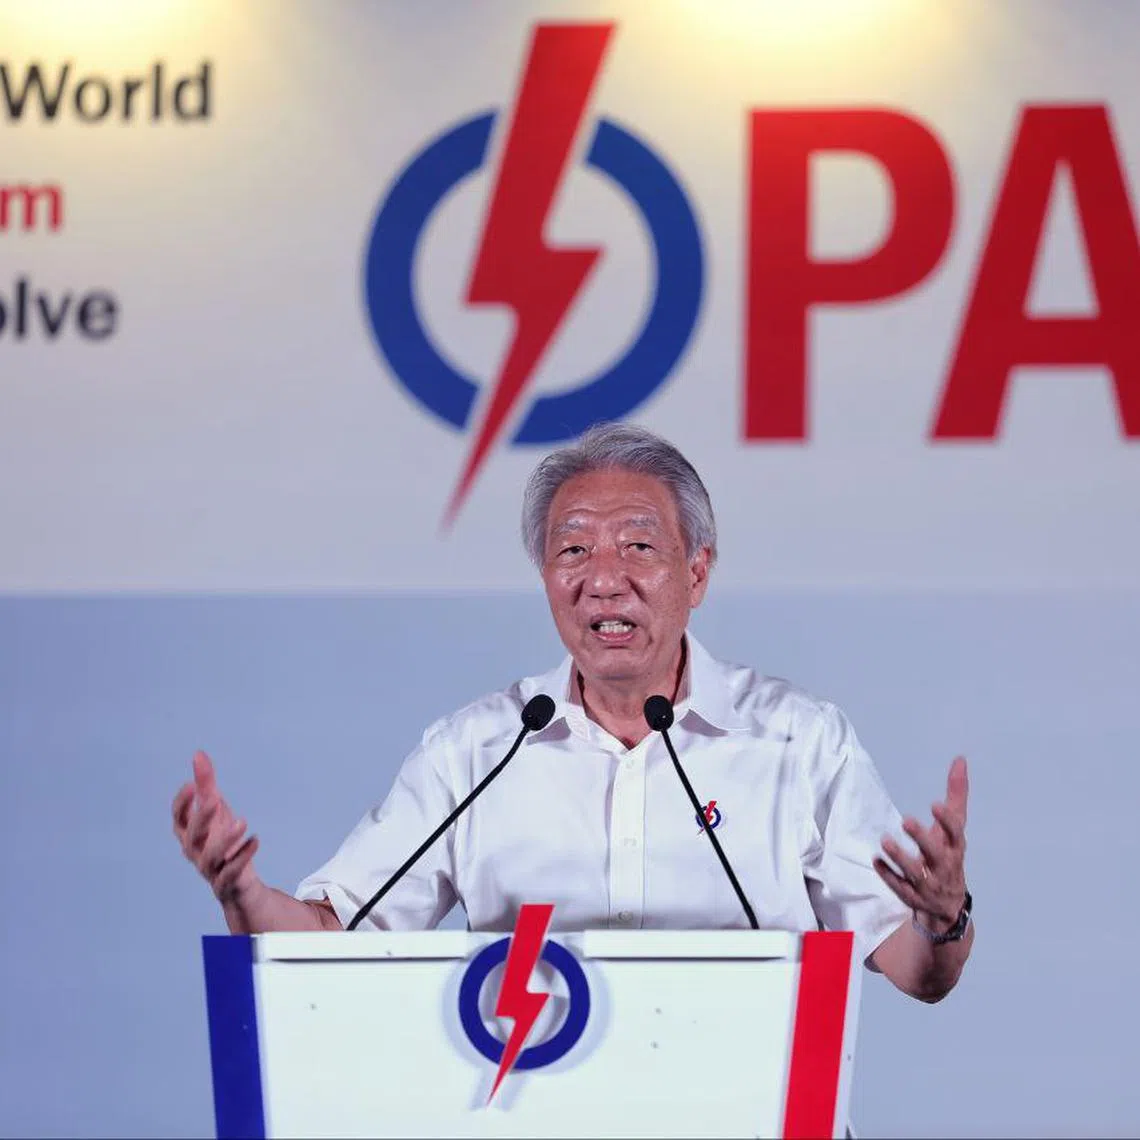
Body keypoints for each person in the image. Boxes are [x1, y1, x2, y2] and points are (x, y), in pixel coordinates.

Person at [173, 423, 972, 1001]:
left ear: (697, 573)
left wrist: (942, 919)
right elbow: (328, 937)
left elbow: (913, 969)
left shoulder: (799, 741)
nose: (603, 577)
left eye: (638, 546)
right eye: (572, 549)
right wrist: (241, 892)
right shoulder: (477, 751)